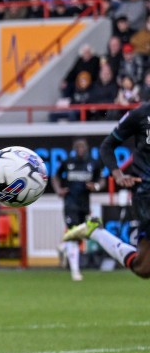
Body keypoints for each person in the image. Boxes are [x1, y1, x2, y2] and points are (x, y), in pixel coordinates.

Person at [65, 106, 150, 279]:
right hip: (146, 194)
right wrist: (117, 174)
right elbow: (107, 146)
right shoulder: (140, 115)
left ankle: (96, 232)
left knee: (143, 269)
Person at [52, 139, 102, 281]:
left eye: (83, 147)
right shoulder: (68, 162)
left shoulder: (93, 163)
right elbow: (55, 176)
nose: (80, 149)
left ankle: (63, 247)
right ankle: (75, 270)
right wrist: (58, 190)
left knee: (81, 234)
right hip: (70, 203)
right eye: (78, 147)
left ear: (87, 148)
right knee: (73, 233)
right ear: (74, 149)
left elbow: (101, 181)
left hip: (84, 204)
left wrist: (96, 187)